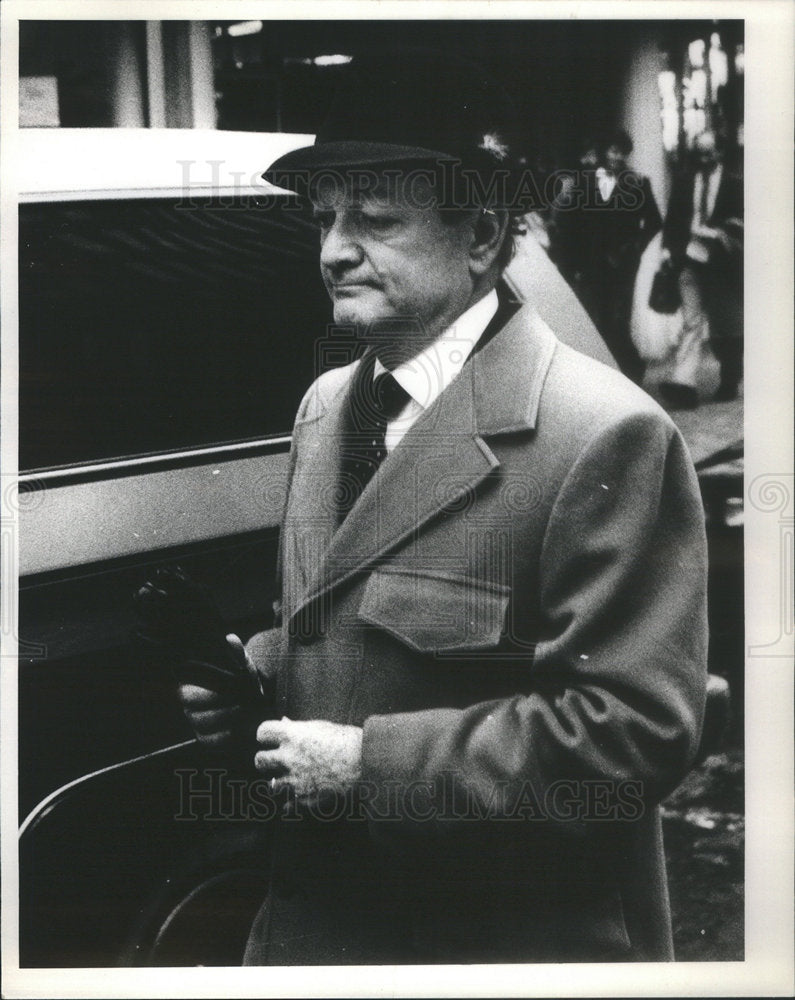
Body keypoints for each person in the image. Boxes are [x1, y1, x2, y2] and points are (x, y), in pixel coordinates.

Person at [178, 50, 707, 964]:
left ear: (480, 236)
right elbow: (354, 629)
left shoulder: (602, 432)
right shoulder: (326, 407)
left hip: (498, 948)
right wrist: (260, 677)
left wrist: (366, 766)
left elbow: (629, 736)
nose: (334, 248)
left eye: (374, 219)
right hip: (317, 940)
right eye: (327, 216)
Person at [556, 129, 662, 384]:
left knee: (618, 318)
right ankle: (612, 375)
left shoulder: (637, 183)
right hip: (591, 263)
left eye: (621, 152)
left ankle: (632, 370)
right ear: (603, 152)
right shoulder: (583, 182)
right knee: (599, 319)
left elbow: (655, 221)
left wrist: (635, 247)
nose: (616, 156)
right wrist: (572, 263)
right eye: (612, 150)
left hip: (624, 264)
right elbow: (569, 224)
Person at [660, 129, 743, 407]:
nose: (704, 158)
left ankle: (730, 377)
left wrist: (721, 233)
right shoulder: (684, 181)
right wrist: (670, 253)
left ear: (719, 152)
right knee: (691, 322)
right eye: (700, 152)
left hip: (723, 265)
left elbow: (744, 222)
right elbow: (672, 220)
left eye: (709, 152)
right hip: (691, 261)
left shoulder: (735, 184)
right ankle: (684, 384)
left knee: (725, 328)